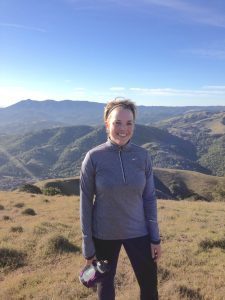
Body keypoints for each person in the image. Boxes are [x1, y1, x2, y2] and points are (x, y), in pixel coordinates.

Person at [80, 98, 161, 300]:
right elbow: (85, 205)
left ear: (134, 125)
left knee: (150, 285)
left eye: (129, 123)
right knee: (105, 289)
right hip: (104, 234)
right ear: (107, 124)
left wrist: (155, 238)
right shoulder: (93, 157)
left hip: (139, 232)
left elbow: (150, 199)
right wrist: (88, 247)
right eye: (117, 122)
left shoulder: (143, 156)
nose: (123, 128)